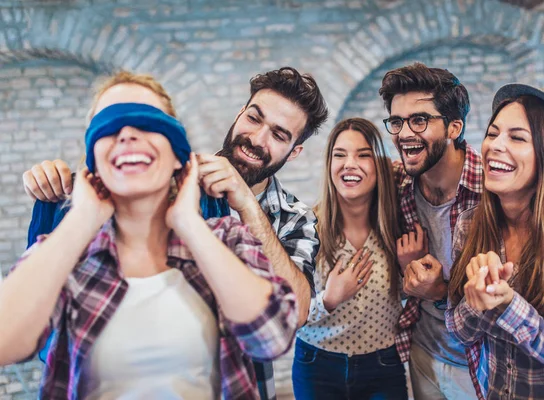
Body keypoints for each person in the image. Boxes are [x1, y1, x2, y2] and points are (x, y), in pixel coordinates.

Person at [22, 67, 328, 400]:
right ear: (240, 113)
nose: (256, 138)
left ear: (295, 150)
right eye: (254, 118)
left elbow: (294, 314)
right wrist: (60, 190)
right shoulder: (165, 182)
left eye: (279, 135)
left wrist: (247, 207)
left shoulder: (294, 219)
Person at [446, 83, 544, 399]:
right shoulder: (470, 225)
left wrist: (508, 305)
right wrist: (478, 299)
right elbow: (460, 330)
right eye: (492, 133)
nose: (494, 146)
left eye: (517, 137)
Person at [378, 62, 481, 399]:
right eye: (396, 121)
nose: (404, 133)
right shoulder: (400, 186)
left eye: (419, 120)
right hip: (424, 355)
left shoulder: (494, 189)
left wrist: (440, 292)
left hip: (483, 360)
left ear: (454, 127)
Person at [292, 118, 407, 399]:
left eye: (363, 155)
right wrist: (328, 300)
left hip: (383, 364)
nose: (350, 164)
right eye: (339, 155)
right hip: (316, 365)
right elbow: (288, 314)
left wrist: (409, 268)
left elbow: (413, 303)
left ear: (379, 166)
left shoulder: (399, 228)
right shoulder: (305, 229)